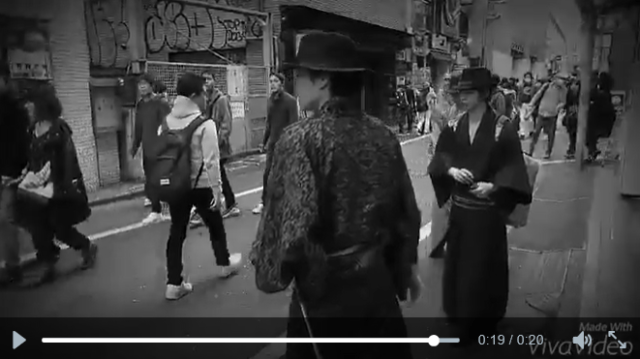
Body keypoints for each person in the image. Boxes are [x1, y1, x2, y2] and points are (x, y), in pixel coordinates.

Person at [250, 31, 422, 359]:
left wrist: (276, 273)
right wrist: (403, 270)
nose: (294, 83)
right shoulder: (382, 134)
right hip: (376, 288)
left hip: (326, 299)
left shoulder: (300, 139)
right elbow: (406, 213)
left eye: (299, 76)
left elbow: (289, 229)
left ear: (324, 80)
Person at [428, 67, 532, 343]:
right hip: (461, 212)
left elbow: (513, 165)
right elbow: (441, 157)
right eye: (460, 92)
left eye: (469, 92)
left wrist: (495, 187)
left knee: (484, 269)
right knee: (460, 267)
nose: (463, 97)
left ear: (485, 94)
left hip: (487, 214)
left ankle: (484, 320)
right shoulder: (455, 125)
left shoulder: (502, 127)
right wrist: (451, 172)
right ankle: (459, 317)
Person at [161, 73, 242, 300]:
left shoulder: (166, 121)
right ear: (195, 96)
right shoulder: (205, 124)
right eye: (203, 94)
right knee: (215, 225)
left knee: (176, 231)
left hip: (176, 186)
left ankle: (173, 283)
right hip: (203, 185)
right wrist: (217, 191)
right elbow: (212, 161)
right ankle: (224, 263)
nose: (206, 98)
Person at [16, 87, 97, 285]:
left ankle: (85, 246)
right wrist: (25, 175)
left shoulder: (59, 128)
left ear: (42, 105)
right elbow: (32, 158)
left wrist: (63, 187)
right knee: (38, 228)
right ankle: (47, 264)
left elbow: (69, 160)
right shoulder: (31, 129)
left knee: (60, 227)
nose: (27, 107)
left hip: (58, 187)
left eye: (30, 102)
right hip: (37, 187)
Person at [0, 65, 31, 286]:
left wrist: (12, 172)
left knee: (6, 218)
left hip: (9, 174)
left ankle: (13, 267)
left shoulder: (15, 110)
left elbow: (21, 145)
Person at [252, 72, 298, 215]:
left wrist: (291, 143)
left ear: (281, 83)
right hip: (273, 144)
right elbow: (269, 123)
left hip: (285, 144)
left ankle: (289, 201)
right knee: (268, 174)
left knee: (286, 173)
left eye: (275, 81)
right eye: (270, 81)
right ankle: (264, 202)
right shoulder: (270, 100)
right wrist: (263, 142)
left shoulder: (290, 101)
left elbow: (293, 124)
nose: (272, 84)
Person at [131, 73, 171, 225]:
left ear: (151, 86)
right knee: (151, 181)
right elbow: (138, 127)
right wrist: (135, 145)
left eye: (144, 84)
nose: (141, 87)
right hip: (148, 150)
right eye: (139, 84)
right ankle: (156, 211)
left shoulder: (160, 103)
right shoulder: (140, 105)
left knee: (165, 181)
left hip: (161, 150)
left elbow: (169, 125)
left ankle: (177, 209)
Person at [527, 73, 568, 159]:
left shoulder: (563, 90)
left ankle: (548, 152)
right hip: (542, 112)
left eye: (563, 79)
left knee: (551, 135)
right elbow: (538, 95)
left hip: (552, 115)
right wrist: (531, 104)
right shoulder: (546, 86)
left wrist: (558, 108)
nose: (561, 81)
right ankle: (530, 151)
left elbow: (563, 102)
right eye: (560, 78)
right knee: (536, 132)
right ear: (555, 78)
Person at [586, 72, 616, 162]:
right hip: (603, 124)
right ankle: (592, 150)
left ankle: (592, 151)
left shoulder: (601, 95)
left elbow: (592, 95)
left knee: (588, 134)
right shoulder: (606, 95)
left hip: (599, 125)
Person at [563, 79, 580, 159]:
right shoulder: (578, 90)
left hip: (572, 113)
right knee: (574, 133)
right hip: (575, 113)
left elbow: (567, 102)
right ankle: (572, 149)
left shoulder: (570, 90)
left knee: (572, 133)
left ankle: (572, 149)